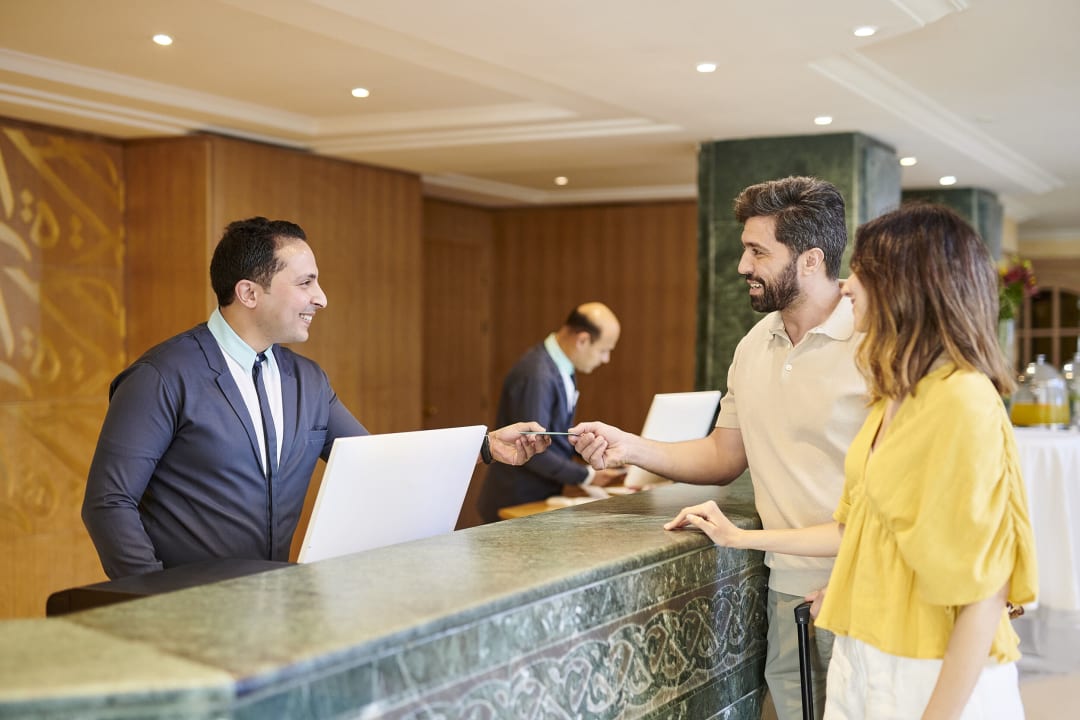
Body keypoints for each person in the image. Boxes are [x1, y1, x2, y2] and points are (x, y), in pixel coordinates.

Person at [665, 203, 1038, 718]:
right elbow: (860, 528)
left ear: (909, 287)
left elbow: (983, 595)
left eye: (863, 273)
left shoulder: (963, 401)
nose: (847, 286)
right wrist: (741, 537)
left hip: (924, 667)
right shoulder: (895, 397)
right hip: (868, 653)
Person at [83, 216, 550, 580]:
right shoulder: (161, 376)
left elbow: (377, 463)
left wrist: (485, 447)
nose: (321, 298)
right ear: (248, 292)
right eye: (305, 283)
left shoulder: (308, 380)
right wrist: (152, 598)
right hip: (185, 613)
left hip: (277, 603)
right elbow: (109, 503)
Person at [569, 177, 868, 720]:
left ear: (810, 259)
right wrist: (630, 447)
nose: (742, 266)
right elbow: (723, 455)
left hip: (868, 584)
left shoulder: (877, 343)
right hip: (789, 586)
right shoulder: (754, 345)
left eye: (757, 251)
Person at [477, 302, 625, 523]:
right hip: (515, 501)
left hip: (536, 499)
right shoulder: (537, 374)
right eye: (604, 350)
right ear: (583, 340)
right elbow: (534, 449)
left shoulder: (562, 367)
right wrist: (588, 475)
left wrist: (597, 449)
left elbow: (555, 434)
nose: (606, 359)